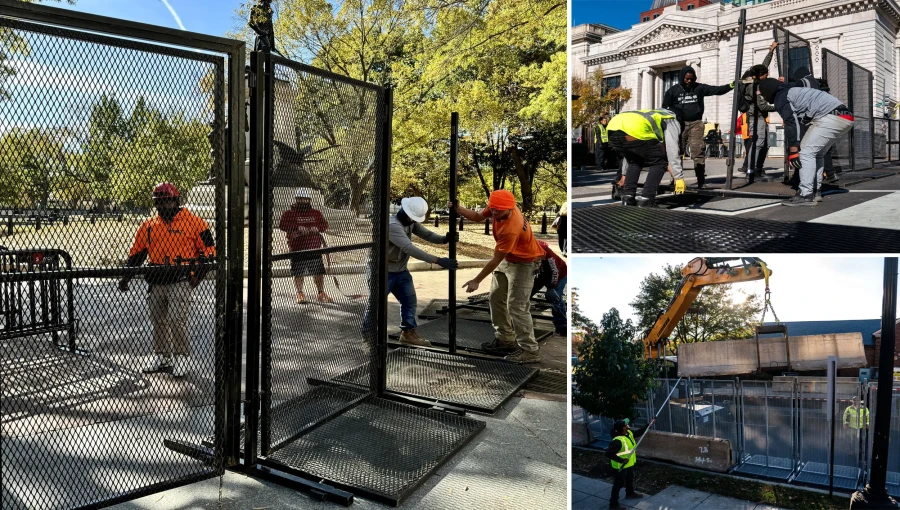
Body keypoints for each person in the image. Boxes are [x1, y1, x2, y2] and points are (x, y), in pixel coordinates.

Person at [119, 182, 216, 378]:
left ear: (176, 201)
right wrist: (126, 277)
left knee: (176, 320)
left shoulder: (195, 223)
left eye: (167, 202)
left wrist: (198, 275)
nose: (163, 207)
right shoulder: (149, 226)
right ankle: (163, 357)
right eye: (159, 203)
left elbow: (210, 251)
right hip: (157, 280)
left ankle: (182, 358)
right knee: (158, 320)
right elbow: (137, 254)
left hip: (180, 279)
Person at [453, 190, 545, 363]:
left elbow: (496, 259)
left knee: (517, 306)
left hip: (525, 263)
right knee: (496, 298)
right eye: (492, 209)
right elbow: (478, 216)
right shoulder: (498, 205)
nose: (494, 213)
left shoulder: (511, 228)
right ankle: (505, 339)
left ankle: (530, 350)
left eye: (498, 211)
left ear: (510, 208)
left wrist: (476, 280)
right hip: (509, 258)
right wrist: (459, 208)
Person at [757, 78, 854, 206]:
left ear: (768, 92)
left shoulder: (781, 97)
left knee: (805, 153)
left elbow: (792, 123)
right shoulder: (792, 91)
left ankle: (805, 194)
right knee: (817, 153)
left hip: (830, 116)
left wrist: (793, 150)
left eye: (762, 94)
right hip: (845, 116)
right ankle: (815, 190)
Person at [380, 196, 457, 347]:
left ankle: (408, 333)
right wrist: (437, 260)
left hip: (400, 270)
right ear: (405, 211)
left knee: (409, 301)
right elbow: (409, 248)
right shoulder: (393, 225)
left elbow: (427, 235)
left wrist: (444, 239)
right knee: (376, 306)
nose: (414, 220)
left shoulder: (410, 222)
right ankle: (369, 336)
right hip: (383, 272)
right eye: (413, 217)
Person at [662, 66, 735, 188]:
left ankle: (701, 181)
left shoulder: (699, 88)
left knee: (698, 151)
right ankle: (676, 179)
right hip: (679, 124)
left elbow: (716, 90)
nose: (689, 81)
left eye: (691, 79)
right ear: (682, 78)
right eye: (686, 79)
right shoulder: (672, 91)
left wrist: (730, 86)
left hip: (696, 123)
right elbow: (664, 108)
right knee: (677, 152)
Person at [607, 108, 686, 208]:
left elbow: (629, 156)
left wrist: (624, 174)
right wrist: (678, 176)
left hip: (612, 129)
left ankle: (628, 197)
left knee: (634, 160)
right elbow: (672, 147)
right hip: (634, 131)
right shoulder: (671, 119)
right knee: (660, 162)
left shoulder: (652, 114)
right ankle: (647, 199)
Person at [278, 188, 333, 304]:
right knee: (298, 272)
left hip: (314, 248)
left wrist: (317, 228)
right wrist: (297, 227)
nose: (302, 201)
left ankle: (320, 293)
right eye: (300, 199)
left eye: (305, 199)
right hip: (297, 248)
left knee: (318, 272)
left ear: (309, 200)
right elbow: (282, 225)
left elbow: (325, 225)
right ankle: (300, 293)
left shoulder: (316, 213)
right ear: (296, 199)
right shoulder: (289, 214)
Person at [606, 418, 655, 510]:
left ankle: (630, 493)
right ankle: (613, 504)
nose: (628, 426)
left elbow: (638, 432)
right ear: (623, 428)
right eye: (626, 425)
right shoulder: (617, 440)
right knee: (618, 484)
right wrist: (621, 460)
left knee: (629, 479)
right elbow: (608, 453)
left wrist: (649, 424)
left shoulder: (629, 433)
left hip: (629, 464)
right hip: (620, 466)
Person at [531, 240, 567, 336]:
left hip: (560, 274)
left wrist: (551, 288)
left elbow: (555, 271)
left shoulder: (548, 254)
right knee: (528, 293)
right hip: (543, 274)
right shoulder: (527, 249)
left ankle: (562, 326)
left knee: (556, 299)